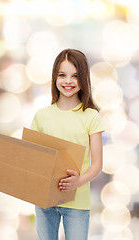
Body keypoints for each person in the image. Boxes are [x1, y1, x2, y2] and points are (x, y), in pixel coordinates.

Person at [30, 49, 105, 240]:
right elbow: (31, 157)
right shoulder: (42, 116)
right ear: (54, 77)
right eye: (62, 75)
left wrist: (79, 181)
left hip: (77, 201)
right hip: (44, 199)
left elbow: (97, 164)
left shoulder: (90, 116)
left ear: (84, 79)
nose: (68, 81)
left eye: (75, 76)